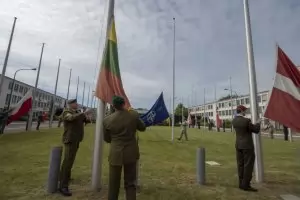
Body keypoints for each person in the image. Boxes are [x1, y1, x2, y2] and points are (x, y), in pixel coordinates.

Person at [103, 96, 146, 200]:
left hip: (115, 153)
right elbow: (143, 128)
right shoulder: (133, 115)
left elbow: (107, 139)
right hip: (131, 153)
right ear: (124, 104)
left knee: (113, 184)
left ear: (113, 106)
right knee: (130, 183)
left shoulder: (107, 120)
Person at [59, 99, 91, 196]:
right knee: (68, 162)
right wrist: (83, 113)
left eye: (77, 103)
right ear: (70, 104)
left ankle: (65, 177)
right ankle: (63, 186)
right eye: (75, 103)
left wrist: (87, 117)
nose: (77, 104)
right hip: (70, 140)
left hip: (76, 139)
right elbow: (71, 118)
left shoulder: (77, 113)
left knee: (69, 161)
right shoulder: (66, 112)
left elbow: (86, 121)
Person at [232, 105, 261, 192]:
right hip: (247, 146)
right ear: (241, 111)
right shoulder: (246, 121)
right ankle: (246, 185)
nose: (245, 112)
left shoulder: (234, 121)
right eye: (245, 111)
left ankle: (241, 183)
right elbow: (256, 130)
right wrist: (258, 122)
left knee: (240, 165)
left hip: (238, 145)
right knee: (248, 165)